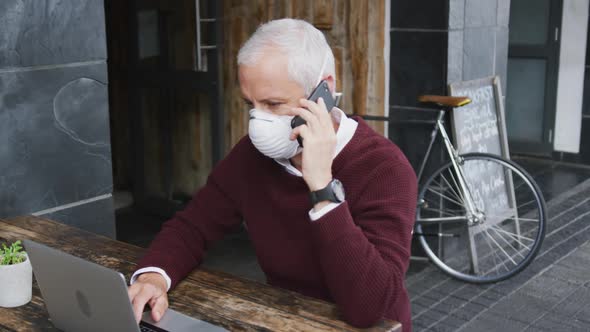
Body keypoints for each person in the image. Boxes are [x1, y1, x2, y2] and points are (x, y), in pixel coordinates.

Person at [127, 18, 417, 330]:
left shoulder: (384, 168)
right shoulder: (252, 156)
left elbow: (370, 307)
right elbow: (194, 225)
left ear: (325, 91)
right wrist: (154, 276)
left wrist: (322, 188)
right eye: (250, 104)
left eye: (274, 104)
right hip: (287, 321)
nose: (258, 122)